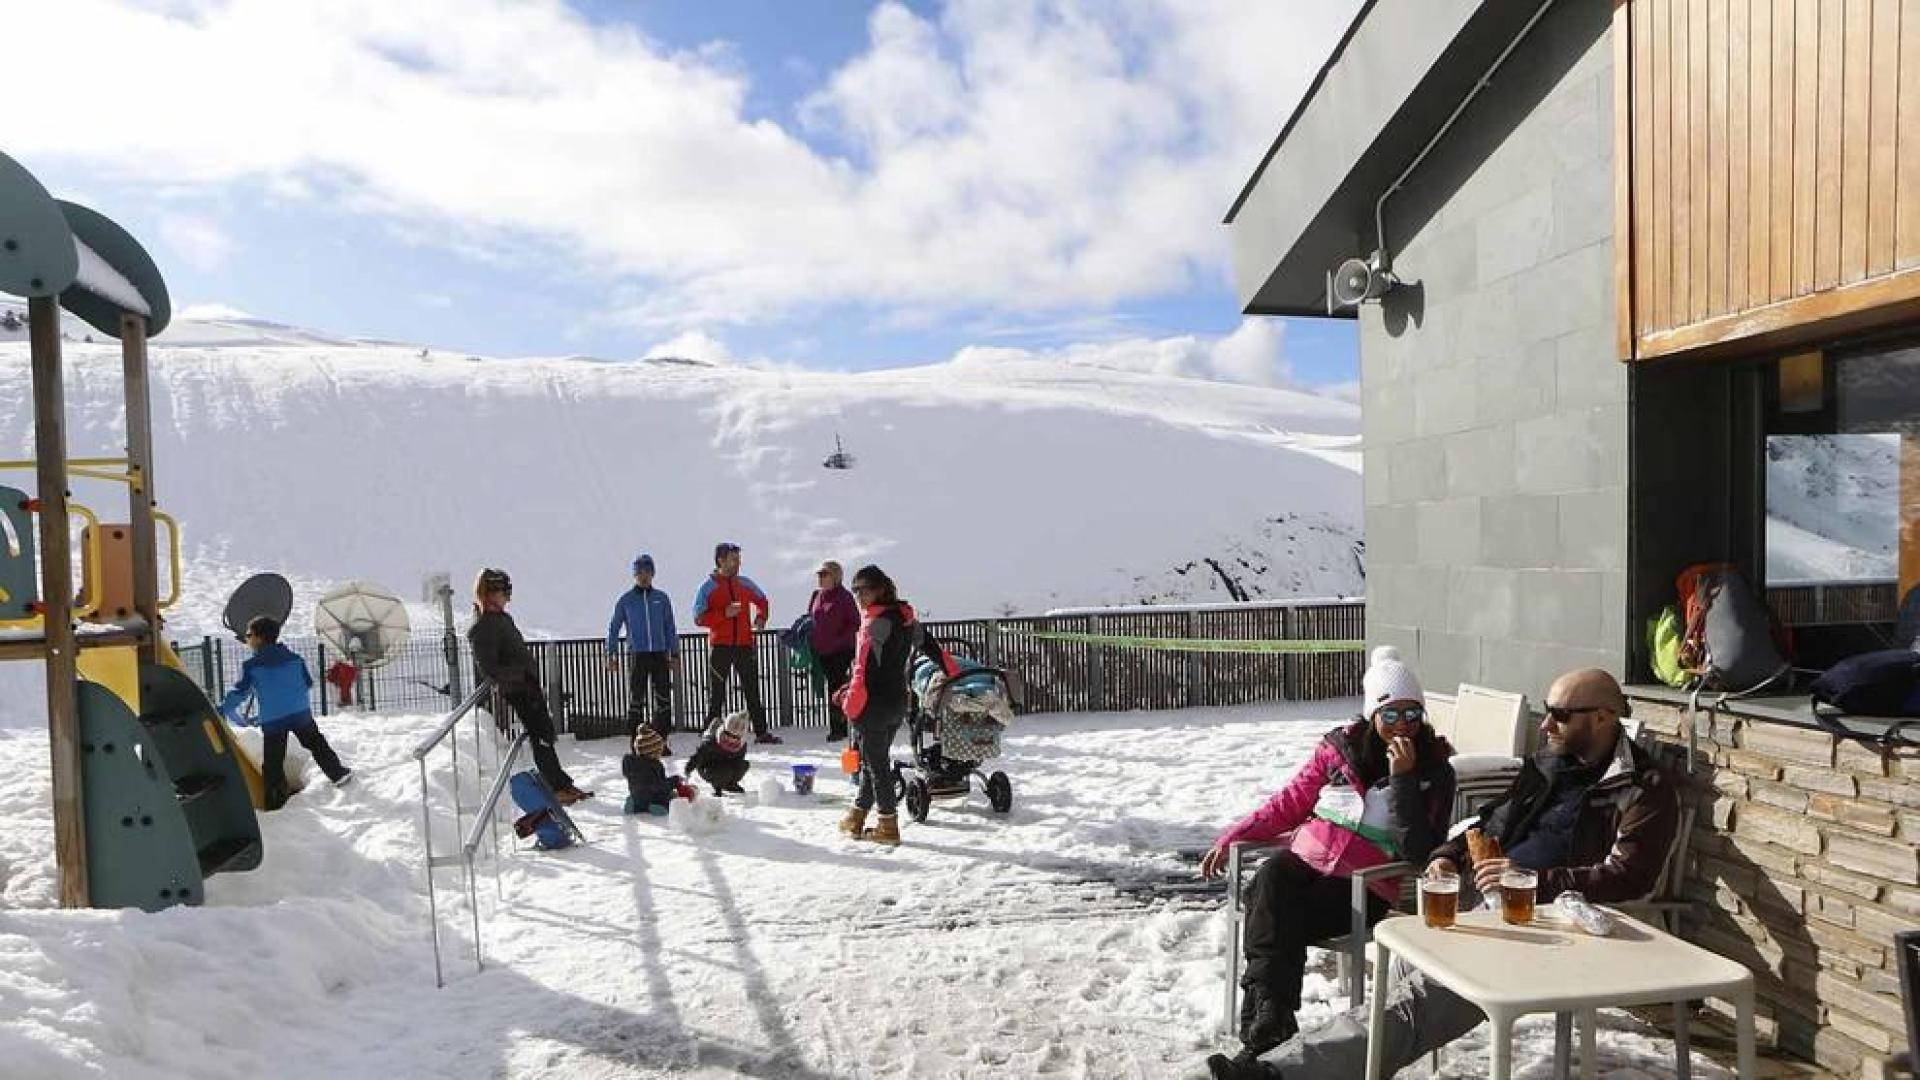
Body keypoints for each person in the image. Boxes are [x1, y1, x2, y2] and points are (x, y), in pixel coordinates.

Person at [1218, 668, 1681, 1080]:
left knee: (1414, 1007)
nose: (1544, 725)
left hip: (1543, 927)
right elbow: (1488, 823)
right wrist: (1447, 854)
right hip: (1482, 906)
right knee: (1398, 982)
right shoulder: (1547, 767)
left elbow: (1629, 877)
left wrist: (1530, 882)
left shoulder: (1644, 788)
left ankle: (1278, 1071)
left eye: (1558, 715)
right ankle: (1288, 1053)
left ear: (1601, 717)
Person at [1197, 646, 1455, 1074]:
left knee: (1273, 911)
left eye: (1413, 714)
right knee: (1273, 877)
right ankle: (1269, 1028)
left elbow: (1421, 851)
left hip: (1362, 889)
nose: (1403, 726)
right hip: (1306, 865)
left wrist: (1405, 781)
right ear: (1373, 714)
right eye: (1391, 715)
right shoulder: (1340, 750)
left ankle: (1263, 1035)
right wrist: (1233, 837)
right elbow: (1291, 802)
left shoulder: (1435, 771)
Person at [835, 565, 957, 847]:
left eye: (863, 590)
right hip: (896, 704)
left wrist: (848, 701)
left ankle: (888, 825)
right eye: (855, 591)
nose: (858, 597)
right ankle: (856, 816)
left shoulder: (875, 623)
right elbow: (931, 646)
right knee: (871, 760)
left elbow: (862, 672)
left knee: (877, 768)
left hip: (872, 705)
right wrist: (952, 671)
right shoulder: (904, 619)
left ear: (879, 589)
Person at [467, 567, 592, 805]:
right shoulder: (483, 626)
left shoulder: (500, 618)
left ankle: (561, 783)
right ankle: (556, 786)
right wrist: (522, 674)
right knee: (540, 734)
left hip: (526, 686)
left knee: (544, 732)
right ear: (492, 593)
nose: (508, 598)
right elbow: (490, 669)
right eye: (505, 592)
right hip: (519, 689)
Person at [219, 615, 351, 809]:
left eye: (248, 635)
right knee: (316, 742)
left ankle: (275, 802)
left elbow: (240, 693)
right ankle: (338, 774)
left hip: (274, 721)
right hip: (300, 714)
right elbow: (307, 683)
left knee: (273, 761)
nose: (247, 639)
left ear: (259, 638)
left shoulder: (252, 666)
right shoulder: (295, 659)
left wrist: (222, 710)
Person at [693, 542, 779, 743]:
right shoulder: (707, 587)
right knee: (717, 693)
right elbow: (698, 617)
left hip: (744, 645)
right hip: (720, 647)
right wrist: (724, 613)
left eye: (738, 559)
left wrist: (761, 617)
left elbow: (762, 600)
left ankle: (762, 732)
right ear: (720, 560)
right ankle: (710, 734)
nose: (737, 564)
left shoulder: (745, 583)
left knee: (752, 690)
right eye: (733, 559)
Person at [607, 553, 679, 747]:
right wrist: (610, 654)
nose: (643, 576)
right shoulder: (626, 600)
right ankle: (636, 742)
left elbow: (670, 627)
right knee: (636, 700)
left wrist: (674, 653)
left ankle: (661, 741)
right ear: (634, 575)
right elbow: (614, 627)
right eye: (639, 572)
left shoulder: (661, 598)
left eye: (647, 571)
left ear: (653, 573)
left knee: (663, 699)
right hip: (637, 655)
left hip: (659, 654)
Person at [808, 560, 860, 741]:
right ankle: (836, 726)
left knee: (837, 687)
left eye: (825, 575)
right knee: (830, 688)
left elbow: (855, 623)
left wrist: (839, 639)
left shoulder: (844, 597)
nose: (821, 578)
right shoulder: (816, 595)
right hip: (821, 652)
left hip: (841, 652)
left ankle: (839, 728)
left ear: (835, 577)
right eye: (820, 575)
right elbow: (811, 618)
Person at [686, 710, 753, 796]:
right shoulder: (712, 740)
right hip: (708, 767)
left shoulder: (741, 746)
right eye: (727, 734)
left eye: (735, 737)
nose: (730, 738)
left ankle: (730, 784)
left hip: (727, 764)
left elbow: (739, 759)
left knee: (742, 765)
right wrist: (689, 768)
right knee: (723, 771)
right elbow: (698, 756)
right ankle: (718, 786)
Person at [621, 726, 681, 815]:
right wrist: (674, 781)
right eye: (659, 750)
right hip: (652, 799)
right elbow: (660, 786)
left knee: (639, 794)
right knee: (671, 799)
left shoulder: (632, 764)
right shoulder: (654, 766)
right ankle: (654, 807)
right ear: (653, 752)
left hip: (637, 796)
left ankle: (634, 804)